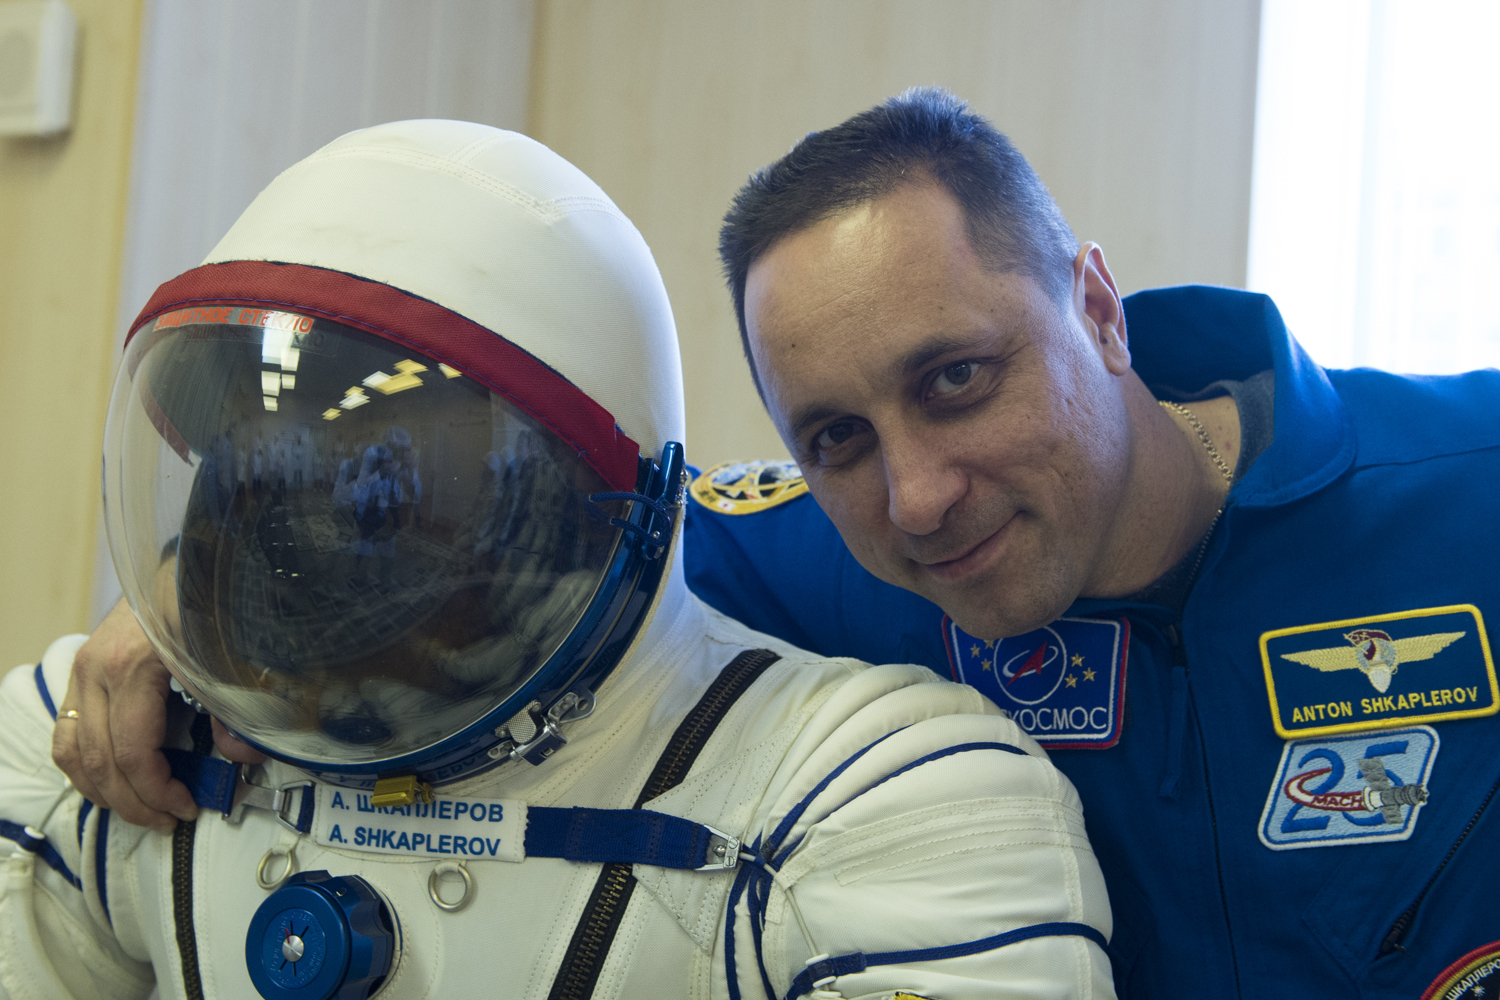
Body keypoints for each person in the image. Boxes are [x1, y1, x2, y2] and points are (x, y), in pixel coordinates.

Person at [51, 90, 1500, 997]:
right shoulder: (798, 555)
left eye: (957, 379)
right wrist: (191, 605)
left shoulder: (1471, 490)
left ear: (1099, 309)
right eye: (837, 437)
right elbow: (489, 548)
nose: (917, 497)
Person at [2, 119, 1112, 1000]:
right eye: (267, 474)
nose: (320, 524)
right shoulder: (98, 736)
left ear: (578, 511)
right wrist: (189, 624)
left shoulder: (875, 797)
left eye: (392, 487)